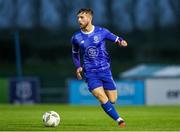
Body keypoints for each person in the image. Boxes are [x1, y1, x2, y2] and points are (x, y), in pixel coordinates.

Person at [71, 8, 127, 127]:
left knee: (112, 100)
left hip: (105, 71)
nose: (79, 20)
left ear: (89, 18)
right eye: (78, 18)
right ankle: (119, 120)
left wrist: (121, 42)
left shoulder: (102, 31)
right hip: (90, 73)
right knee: (100, 96)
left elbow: (116, 39)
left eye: (82, 17)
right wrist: (78, 67)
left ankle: (108, 105)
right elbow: (75, 54)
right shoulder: (76, 37)